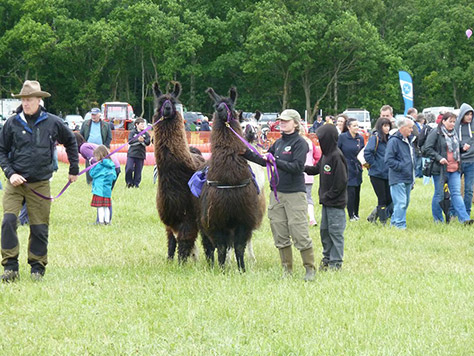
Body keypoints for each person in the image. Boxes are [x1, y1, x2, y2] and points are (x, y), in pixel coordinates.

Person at [0, 80, 79, 282]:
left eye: (30, 99)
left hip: (40, 183)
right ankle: (10, 266)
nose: (26, 103)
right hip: (16, 183)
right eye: (24, 100)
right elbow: (1, 150)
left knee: (39, 227)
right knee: (8, 222)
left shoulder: (53, 122)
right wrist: (10, 173)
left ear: (39, 100)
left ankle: (37, 266)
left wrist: (73, 169)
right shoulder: (12, 123)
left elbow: (71, 141)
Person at [243, 109, 315, 281]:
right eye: (281, 120)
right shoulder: (279, 143)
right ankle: (286, 270)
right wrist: (246, 153)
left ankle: (309, 269)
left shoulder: (300, 143)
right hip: (277, 193)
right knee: (280, 233)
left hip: (294, 194)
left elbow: (297, 167)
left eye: (286, 121)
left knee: (300, 232)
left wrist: (276, 161)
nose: (282, 123)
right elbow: (264, 160)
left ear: (296, 123)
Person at [304, 124, 347, 271]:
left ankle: (336, 263)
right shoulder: (325, 155)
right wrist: (302, 168)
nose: (319, 141)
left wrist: (329, 195)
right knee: (325, 232)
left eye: (321, 139)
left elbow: (341, 182)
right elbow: (316, 169)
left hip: (335, 203)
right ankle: (327, 258)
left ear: (328, 139)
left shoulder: (336, 156)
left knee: (335, 232)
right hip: (326, 203)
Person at [423, 112, 473, 224]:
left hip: (455, 168)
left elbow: (455, 147)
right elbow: (427, 148)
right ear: (443, 121)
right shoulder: (436, 132)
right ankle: (438, 219)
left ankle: (464, 219)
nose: (452, 124)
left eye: (454, 122)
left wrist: (462, 148)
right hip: (440, 169)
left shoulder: (454, 132)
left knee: (456, 193)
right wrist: (439, 158)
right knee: (439, 194)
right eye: (450, 121)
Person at [384, 117, 415, 229]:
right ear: (402, 128)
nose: (412, 130)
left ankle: (394, 223)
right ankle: (400, 226)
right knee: (401, 203)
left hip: (408, 176)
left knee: (405, 203)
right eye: (410, 128)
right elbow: (388, 159)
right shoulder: (394, 141)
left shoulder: (409, 140)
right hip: (398, 177)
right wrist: (402, 166)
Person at [364, 117, 393, 224]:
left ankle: (373, 216)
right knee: (382, 199)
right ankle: (383, 221)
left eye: (388, 125)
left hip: (387, 173)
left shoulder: (390, 138)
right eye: (385, 126)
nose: (387, 128)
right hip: (376, 174)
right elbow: (367, 152)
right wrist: (375, 165)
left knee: (389, 198)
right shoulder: (375, 138)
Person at [337, 118, 364, 221]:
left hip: (357, 167)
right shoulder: (342, 138)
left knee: (357, 191)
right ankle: (351, 214)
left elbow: (362, 152)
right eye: (354, 126)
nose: (356, 128)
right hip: (347, 167)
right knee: (350, 191)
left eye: (357, 126)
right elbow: (337, 151)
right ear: (348, 127)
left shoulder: (360, 138)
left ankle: (356, 213)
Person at [80, 107, 112, 184]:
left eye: (95, 115)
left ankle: (100, 179)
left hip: (101, 148)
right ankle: (90, 181)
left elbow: (109, 137)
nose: (93, 116)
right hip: (89, 148)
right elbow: (81, 135)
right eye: (92, 114)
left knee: (102, 164)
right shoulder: (85, 123)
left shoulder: (106, 125)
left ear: (99, 115)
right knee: (89, 164)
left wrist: (105, 147)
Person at [454, 103, 474, 217]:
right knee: (455, 190)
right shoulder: (455, 125)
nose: (469, 117)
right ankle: (453, 212)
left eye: (471, 114)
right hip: (459, 161)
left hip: (471, 161)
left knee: (469, 190)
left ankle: (467, 213)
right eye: (467, 114)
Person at [89, 145, 117, 225]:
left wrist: (93, 165)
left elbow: (92, 173)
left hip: (99, 189)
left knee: (100, 206)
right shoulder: (111, 165)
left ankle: (100, 221)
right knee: (106, 206)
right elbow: (114, 176)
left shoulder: (99, 165)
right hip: (107, 189)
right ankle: (107, 221)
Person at [300, 126, 321, 226]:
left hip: (297, 173)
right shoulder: (310, 142)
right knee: (308, 198)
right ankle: (312, 218)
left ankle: (302, 219)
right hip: (309, 174)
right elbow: (317, 157)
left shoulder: (294, 143)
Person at [125, 118, 150, 188]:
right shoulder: (132, 132)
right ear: (136, 124)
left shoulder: (146, 133)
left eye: (144, 124)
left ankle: (136, 184)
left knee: (138, 170)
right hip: (132, 154)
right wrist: (137, 140)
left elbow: (148, 142)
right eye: (141, 124)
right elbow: (130, 141)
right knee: (129, 168)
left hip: (141, 154)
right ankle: (129, 182)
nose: (143, 126)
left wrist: (143, 141)